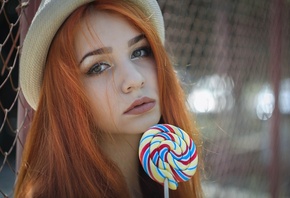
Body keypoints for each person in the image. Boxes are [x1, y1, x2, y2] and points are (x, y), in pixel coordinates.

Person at [15, 0, 204, 197]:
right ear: (66, 94)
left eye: (140, 52)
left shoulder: (166, 185)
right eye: (98, 67)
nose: (134, 79)